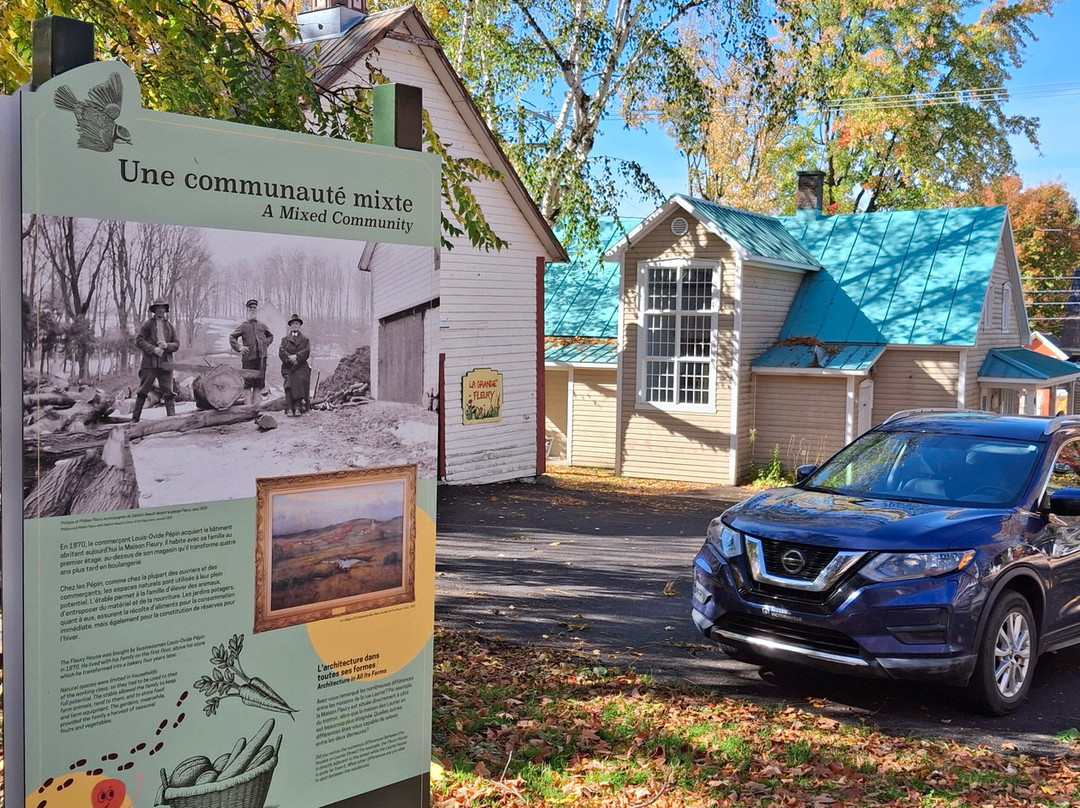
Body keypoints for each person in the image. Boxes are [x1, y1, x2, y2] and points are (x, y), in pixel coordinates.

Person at [132, 297, 180, 422]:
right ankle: (134, 420)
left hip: (166, 364)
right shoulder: (147, 325)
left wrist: (166, 345)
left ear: (165, 310)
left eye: (162, 308)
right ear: (154, 310)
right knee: (142, 391)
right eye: (158, 308)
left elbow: (176, 344)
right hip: (149, 364)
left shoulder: (169, 326)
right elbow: (139, 340)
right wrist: (153, 349)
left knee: (169, 393)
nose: (160, 310)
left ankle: (172, 421)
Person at [230, 298, 274, 406]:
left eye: (254, 308)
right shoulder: (243, 326)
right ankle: (248, 407)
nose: (253, 310)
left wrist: (265, 344)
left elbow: (270, 336)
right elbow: (232, 337)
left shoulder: (262, 325)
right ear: (247, 310)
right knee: (247, 383)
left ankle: (256, 407)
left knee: (259, 383)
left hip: (261, 358)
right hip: (248, 358)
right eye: (250, 308)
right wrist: (239, 347)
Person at [279, 314, 312, 416]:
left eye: (297, 323)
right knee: (288, 383)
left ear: (299, 325)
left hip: (301, 366)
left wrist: (297, 357)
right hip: (288, 366)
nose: (295, 325)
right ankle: (289, 407)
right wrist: (290, 358)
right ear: (290, 326)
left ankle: (297, 407)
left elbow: (307, 351)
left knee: (299, 380)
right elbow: (281, 351)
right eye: (293, 324)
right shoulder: (285, 340)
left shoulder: (305, 339)